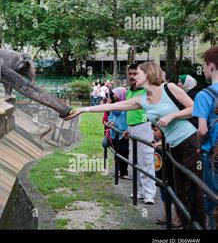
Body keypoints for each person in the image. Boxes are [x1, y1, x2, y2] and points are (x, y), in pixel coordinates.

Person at [66, 62, 206, 228]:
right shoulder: (142, 99)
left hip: (190, 141)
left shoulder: (169, 88)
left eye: (136, 74)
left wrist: (173, 116)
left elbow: (195, 108)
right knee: (179, 192)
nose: (132, 77)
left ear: (148, 74)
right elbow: (115, 105)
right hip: (173, 147)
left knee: (195, 190)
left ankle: (200, 228)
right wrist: (84, 110)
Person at [192, 46, 218, 229]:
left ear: (212, 66)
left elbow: (202, 130)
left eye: (204, 65)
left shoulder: (204, 95)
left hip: (213, 155)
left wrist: (199, 147)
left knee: (213, 200)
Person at [124, 63, 156, 204]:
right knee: (135, 161)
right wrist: (128, 128)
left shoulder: (145, 90)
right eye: (130, 74)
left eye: (135, 74)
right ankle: (141, 190)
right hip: (132, 128)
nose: (132, 76)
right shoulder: (129, 91)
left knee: (146, 161)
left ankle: (149, 193)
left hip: (144, 127)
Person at [151, 124, 181, 228]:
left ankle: (178, 217)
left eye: (155, 130)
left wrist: (162, 144)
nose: (154, 132)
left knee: (174, 192)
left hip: (169, 171)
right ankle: (166, 214)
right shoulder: (156, 140)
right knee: (163, 193)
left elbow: (171, 144)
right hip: (160, 171)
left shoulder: (172, 139)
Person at [107, 87, 130, 179]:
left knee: (124, 153)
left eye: (115, 93)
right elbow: (111, 116)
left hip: (124, 134)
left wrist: (128, 129)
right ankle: (118, 170)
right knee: (117, 153)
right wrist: (111, 122)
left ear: (121, 94)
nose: (113, 95)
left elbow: (129, 119)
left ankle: (124, 172)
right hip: (115, 133)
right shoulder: (115, 105)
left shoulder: (127, 107)